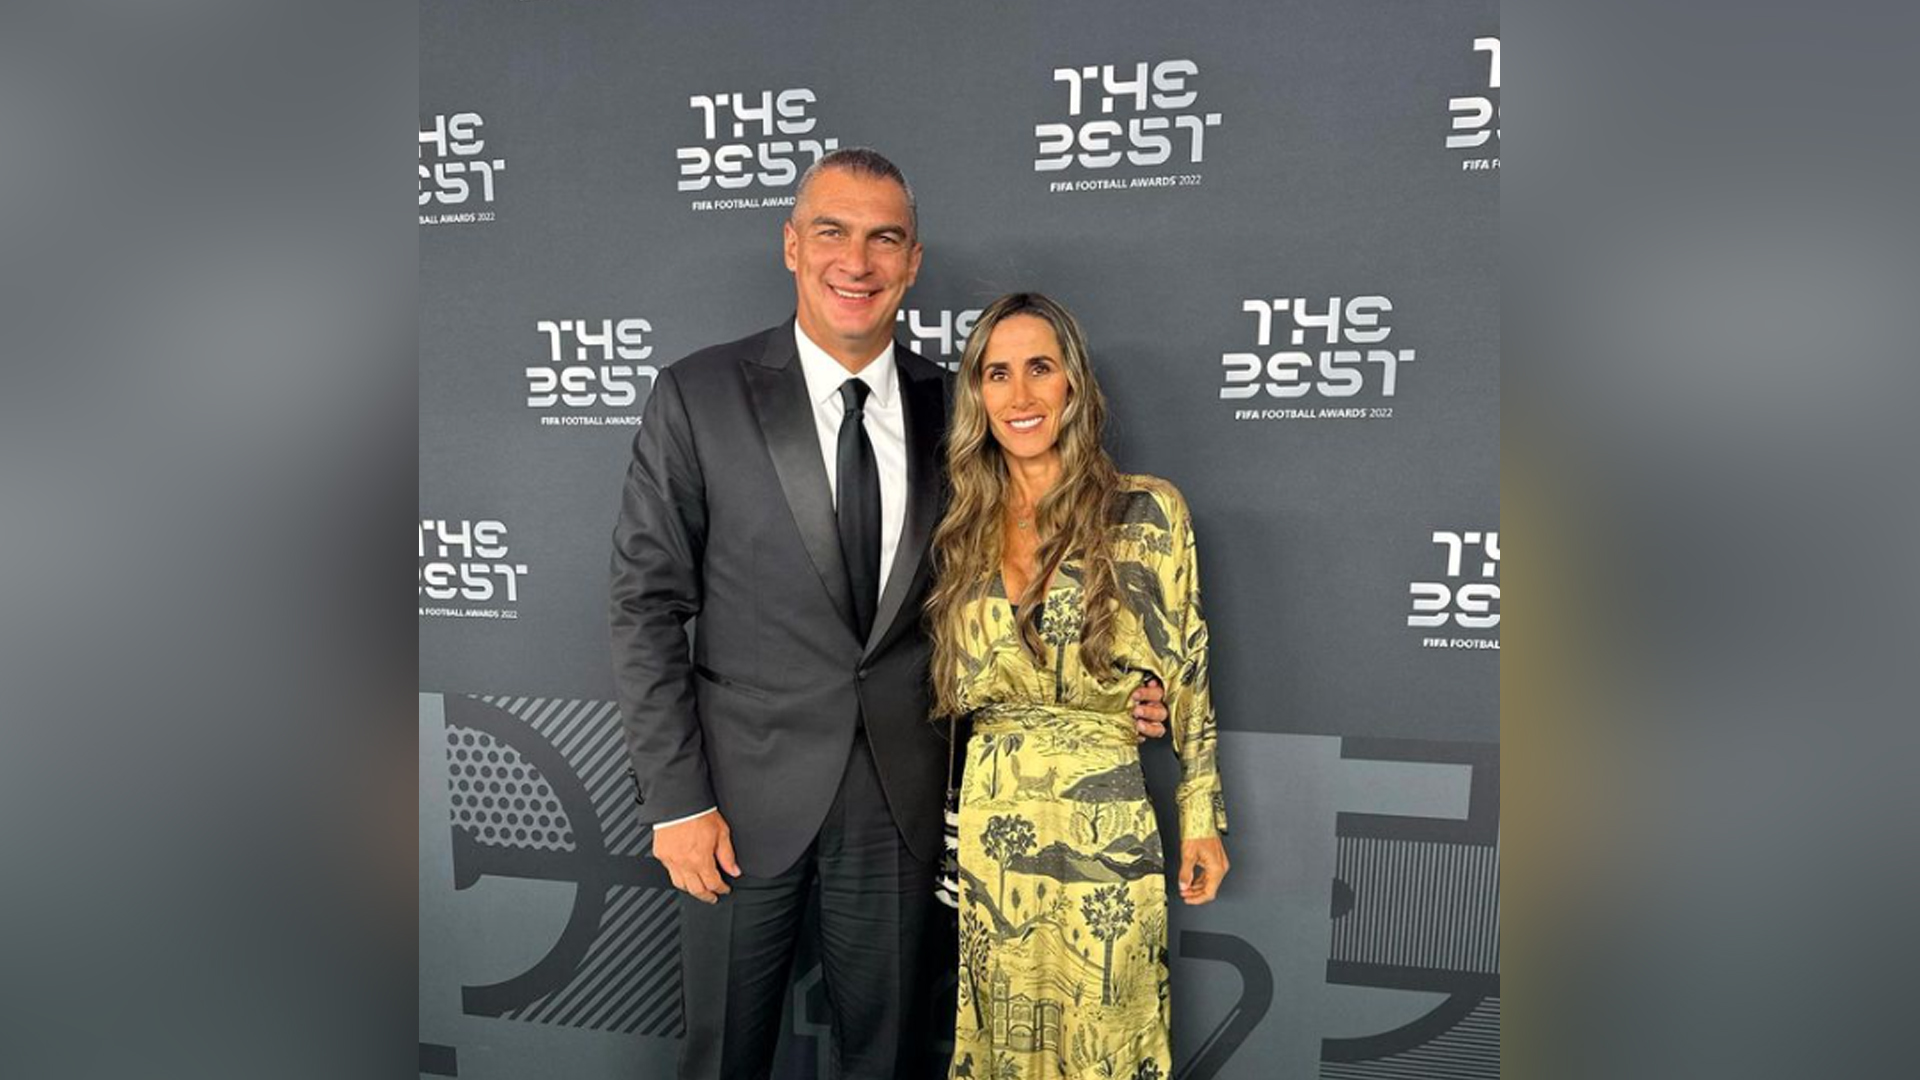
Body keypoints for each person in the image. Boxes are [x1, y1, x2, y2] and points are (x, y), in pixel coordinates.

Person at [609, 150, 1170, 1080]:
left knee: (894, 1059)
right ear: (792, 245)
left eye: (884, 238)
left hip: (906, 800)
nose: (856, 260)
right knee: (723, 1058)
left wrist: (1113, 694)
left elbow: (1026, 586)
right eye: (831, 231)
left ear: (913, 262)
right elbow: (644, 605)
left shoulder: (961, 407)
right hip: (738, 800)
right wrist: (678, 802)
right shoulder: (698, 395)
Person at [926, 293, 1229, 1080]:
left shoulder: (1147, 511)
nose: (1020, 397)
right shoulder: (956, 524)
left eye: (1040, 369)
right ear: (976, 395)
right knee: (1002, 1029)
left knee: (1109, 1022)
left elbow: (1188, 668)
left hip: (1109, 821)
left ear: (1074, 387)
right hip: (994, 819)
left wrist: (1201, 815)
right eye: (997, 374)